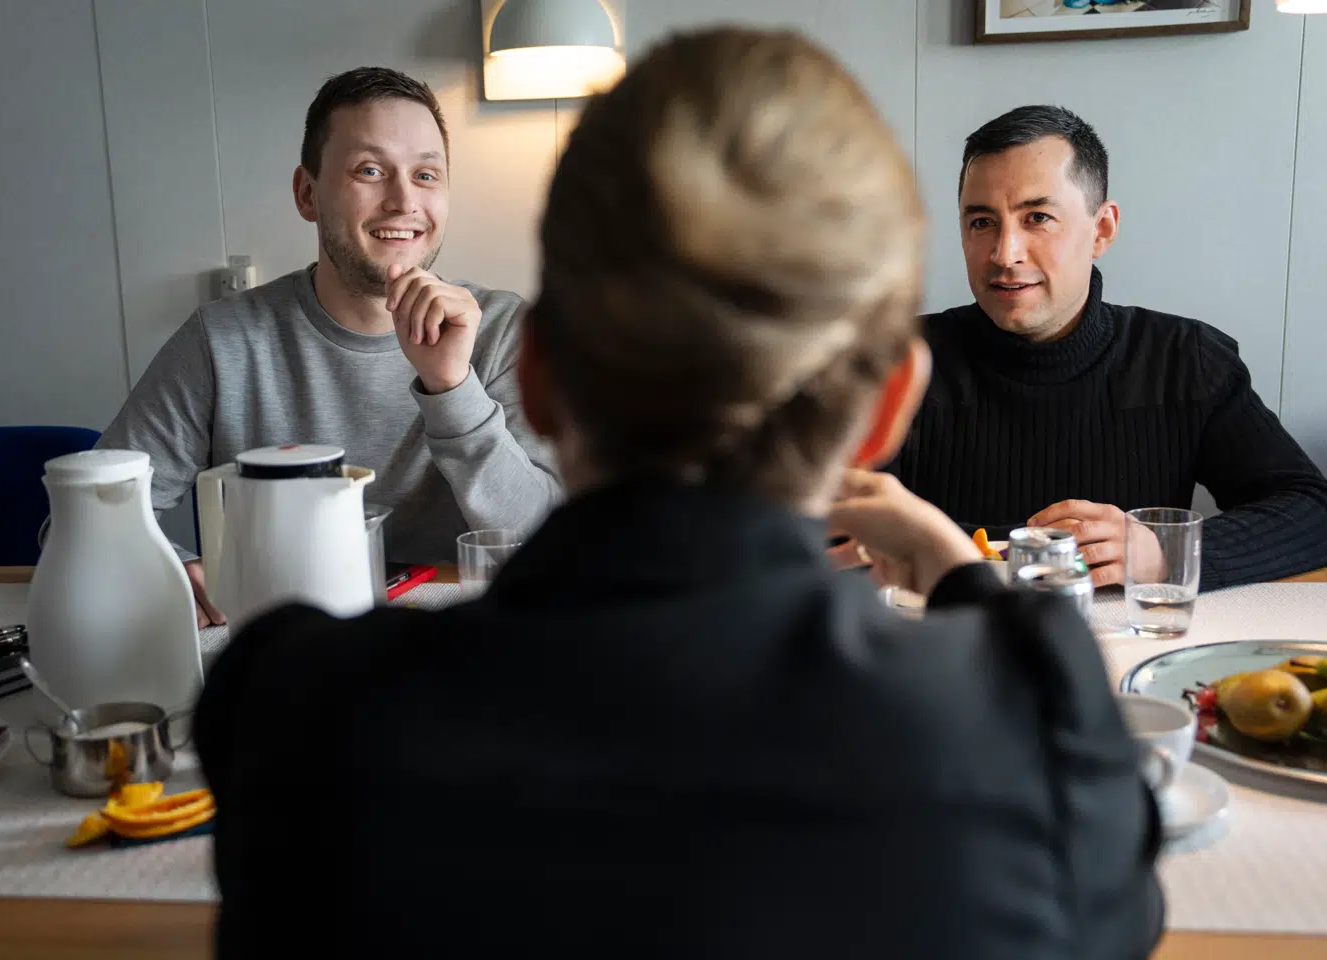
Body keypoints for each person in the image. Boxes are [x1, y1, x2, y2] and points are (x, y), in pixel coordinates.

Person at [195, 30, 1162, 957]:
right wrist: (967, 580)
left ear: (532, 378)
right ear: (886, 412)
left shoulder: (296, 708)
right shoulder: (1025, 724)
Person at [96, 67, 561, 625]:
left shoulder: (505, 328)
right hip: (281, 652)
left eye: (426, 175)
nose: (403, 200)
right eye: (370, 170)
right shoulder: (222, 342)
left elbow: (555, 542)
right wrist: (167, 571)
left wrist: (453, 388)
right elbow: (89, 520)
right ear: (306, 193)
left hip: (454, 650)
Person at [885, 105, 1327, 590]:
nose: (1005, 254)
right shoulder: (896, 360)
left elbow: (1316, 514)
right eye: (982, 223)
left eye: (1038, 217)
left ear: (1102, 230)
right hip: (945, 646)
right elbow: (828, 527)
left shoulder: (1184, 359)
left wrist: (1163, 550)